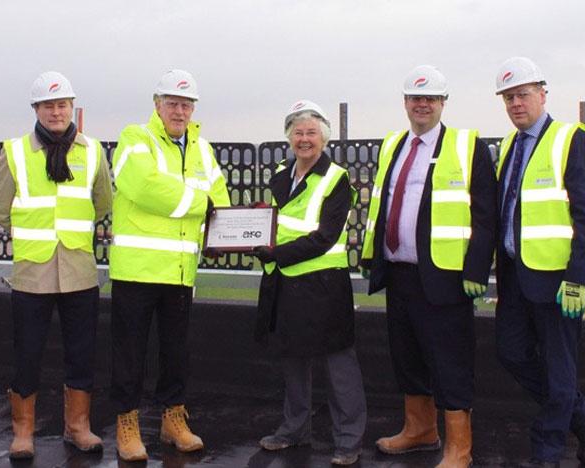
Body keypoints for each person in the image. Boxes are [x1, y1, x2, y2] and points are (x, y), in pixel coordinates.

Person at [361, 65, 497, 467]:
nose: (422, 105)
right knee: (408, 356)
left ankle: (460, 449)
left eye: (431, 99)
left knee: (450, 361)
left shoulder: (467, 146)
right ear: (405, 103)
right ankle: (420, 430)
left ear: (443, 103)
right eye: (415, 98)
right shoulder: (393, 145)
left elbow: (485, 215)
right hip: (399, 272)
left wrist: (476, 270)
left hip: (445, 278)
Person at [0, 71, 113, 459]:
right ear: (36, 110)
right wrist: (29, 229)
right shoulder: (16, 152)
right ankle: (23, 431)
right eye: (48, 106)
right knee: (27, 352)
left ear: (71, 107)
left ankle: (78, 426)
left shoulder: (92, 152)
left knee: (81, 352)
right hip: (32, 272)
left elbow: (103, 202)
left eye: (62, 105)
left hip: (78, 269)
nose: (56, 112)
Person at [109, 69, 230, 462]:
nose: (180, 111)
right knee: (130, 353)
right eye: (173, 103)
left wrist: (222, 225)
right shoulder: (135, 138)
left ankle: (173, 419)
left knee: (176, 353)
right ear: (157, 104)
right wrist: (201, 204)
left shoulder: (201, 148)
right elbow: (144, 188)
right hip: (137, 270)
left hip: (180, 271)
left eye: (186, 104)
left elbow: (221, 196)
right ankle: (126, 425)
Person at [493, 56, 585, 468]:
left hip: (559, 281)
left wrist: (577, 278)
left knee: (560, 370)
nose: (515, 105)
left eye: (522, 95)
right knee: (509, 351)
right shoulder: (510, 144)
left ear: (543, 94)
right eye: (508, 98)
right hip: (516, 276)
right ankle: (580, 412)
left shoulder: (569, 137)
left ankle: (548, 451)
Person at [252, 100, 366, 466]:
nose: (304, 139)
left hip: (323, 286)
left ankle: (348, 441)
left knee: (338, 365)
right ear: (289, 138)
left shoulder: (336, 179)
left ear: (324, 138)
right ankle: (293, 429)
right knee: (293, 360)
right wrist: (254, 225)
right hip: (286, 285)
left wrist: (275, 254)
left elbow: (326, 237)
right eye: (298, 133)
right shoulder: (282, 176)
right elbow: (277, 223)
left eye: (311, 133)